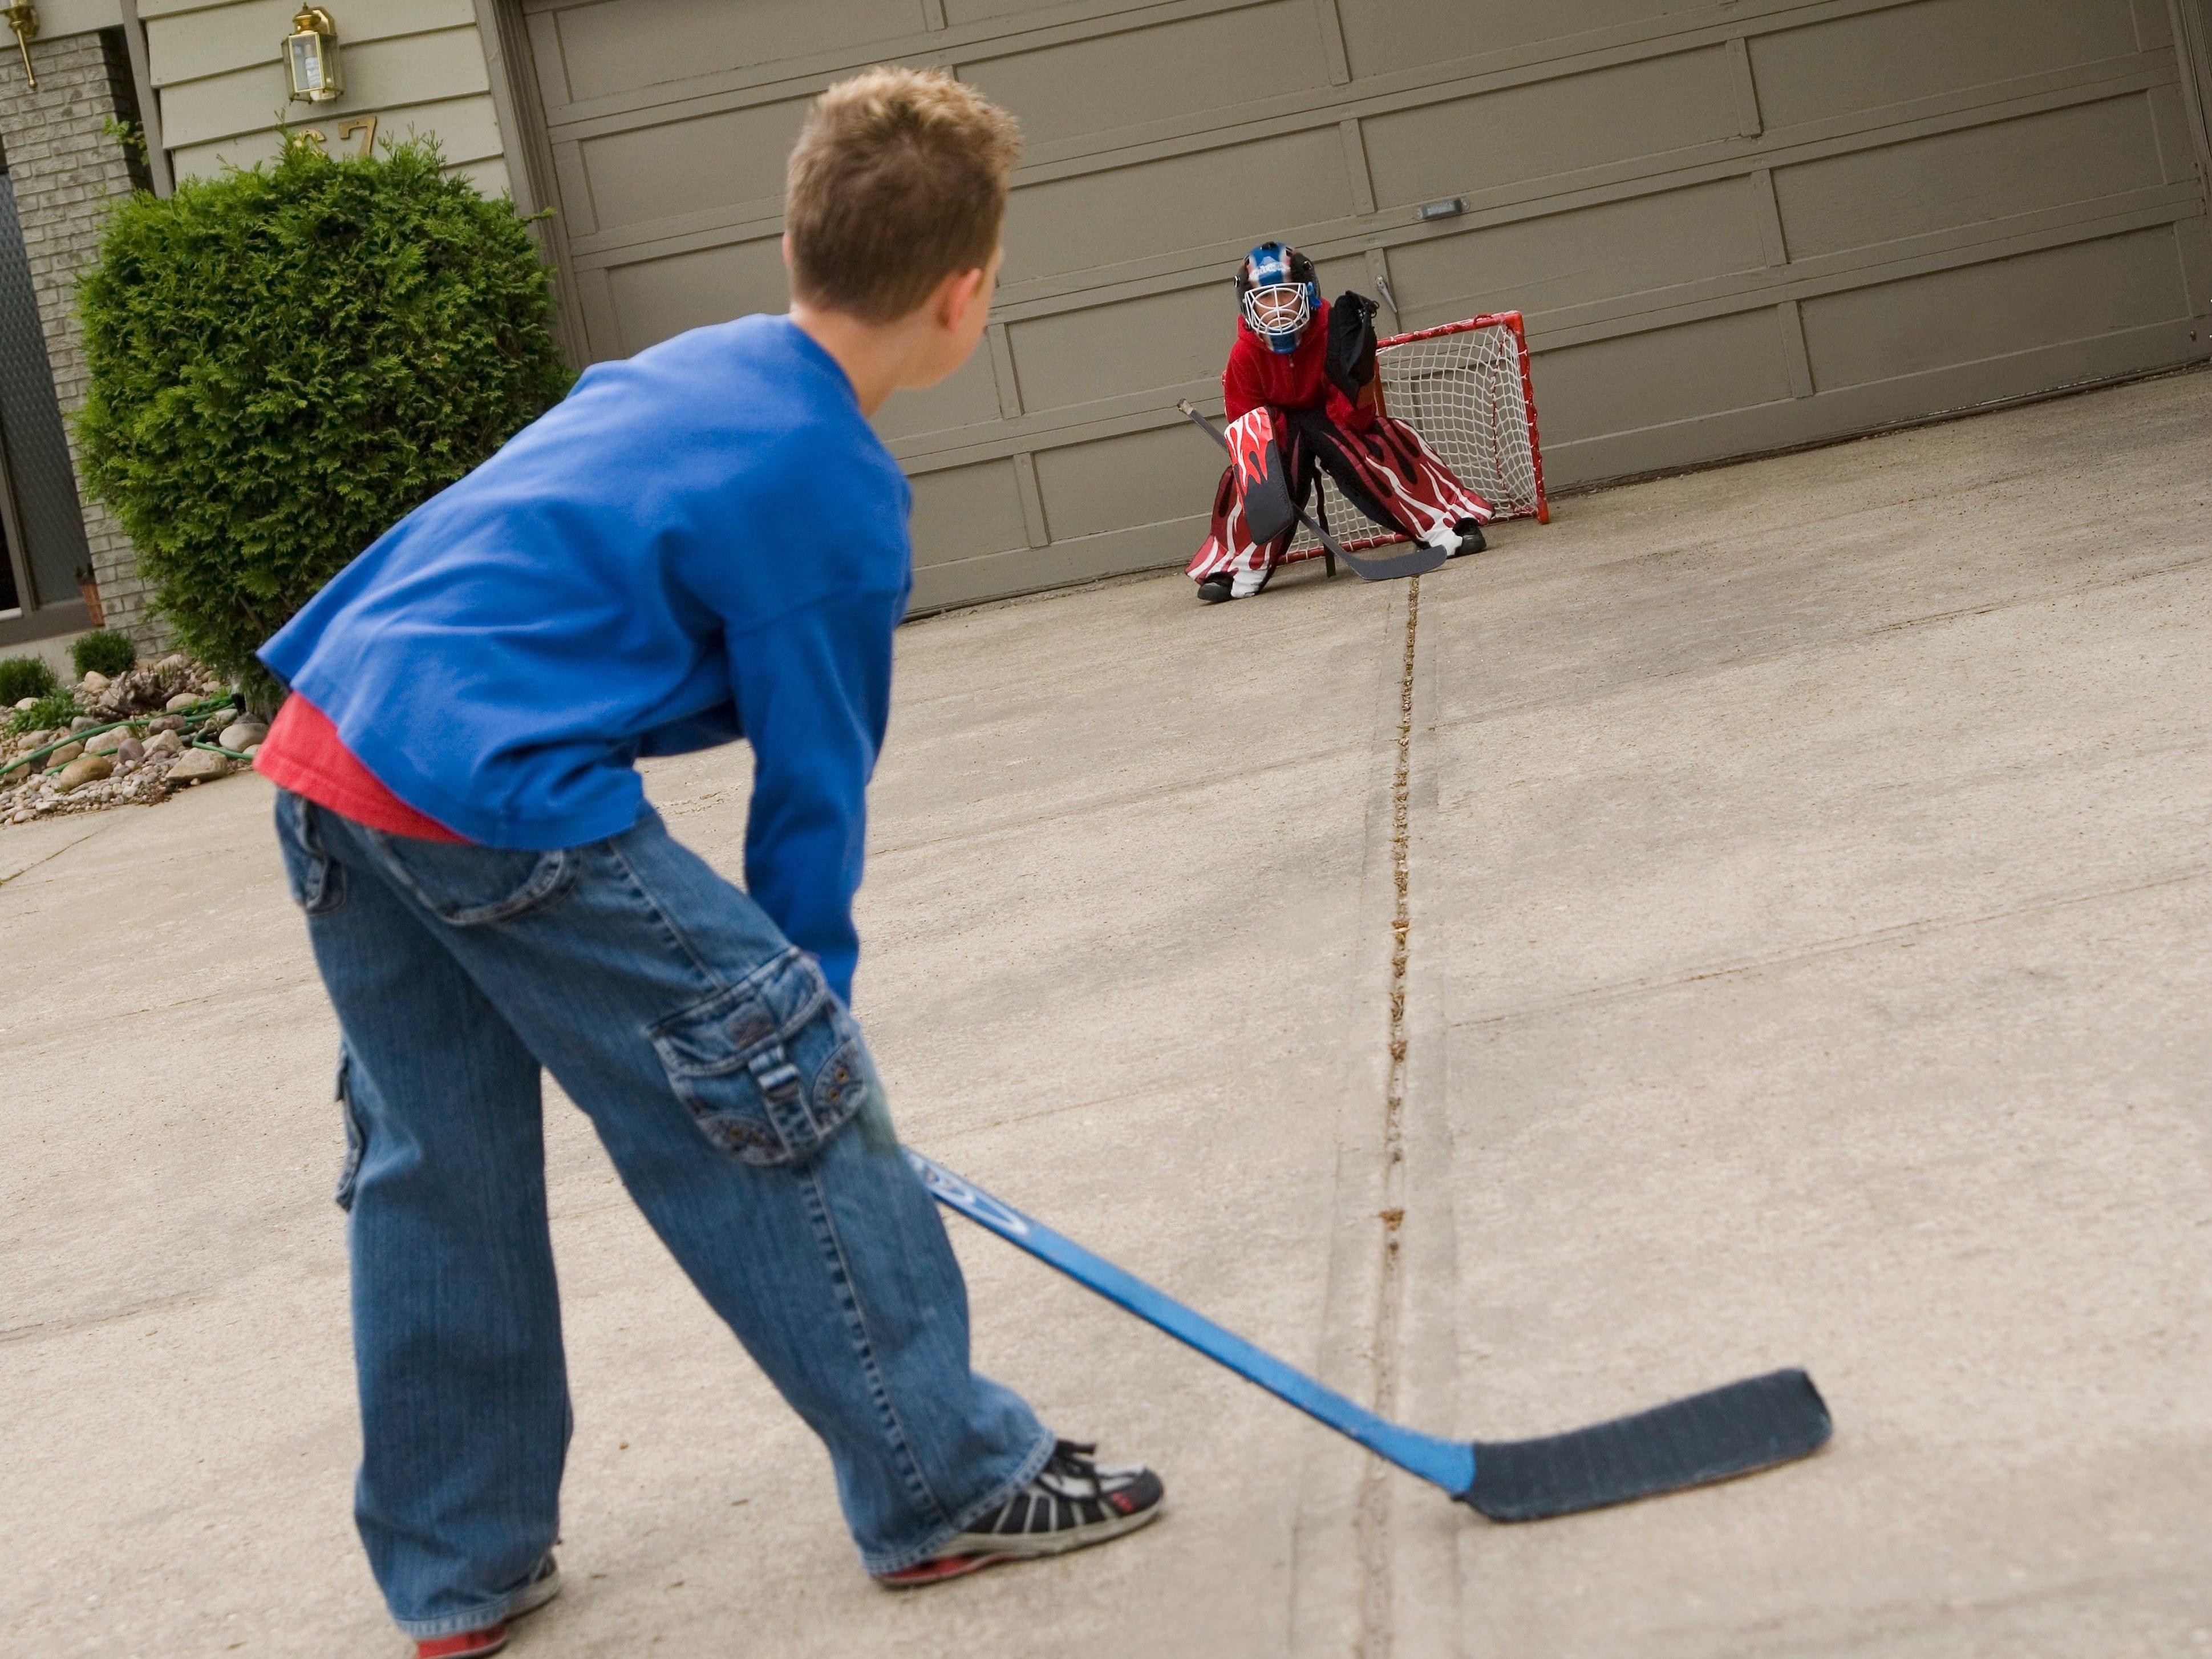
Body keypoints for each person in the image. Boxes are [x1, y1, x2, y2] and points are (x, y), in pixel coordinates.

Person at [252, 67, 1162, 1659]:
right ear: (964, 299)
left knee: (434, 1164)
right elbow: (810, 806)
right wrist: (805, 1028)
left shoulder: (690, 365)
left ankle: (458, 1570)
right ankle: (946, 1474)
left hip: (336, 746)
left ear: (798, 240)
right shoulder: (834, 496)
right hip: (488, 784)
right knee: (774, 1074)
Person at [1187, 241, 1496, 602]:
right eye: (1265, 300)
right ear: (1248, 307)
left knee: (1375, 444)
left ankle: (1448, 522)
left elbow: (1356, 418)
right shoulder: (1244, 355)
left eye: (1286, 295)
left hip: (1331, 416)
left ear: (1308, 293)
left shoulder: (1331, 330)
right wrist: (1278, 454)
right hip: (1278, 429)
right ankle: (1236, 565)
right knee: (1256, 474)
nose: (1278, 309)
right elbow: (1246, 425)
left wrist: (1359, 379)